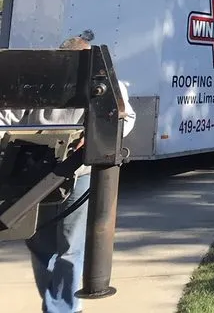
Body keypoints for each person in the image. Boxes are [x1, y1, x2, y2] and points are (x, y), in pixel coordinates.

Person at [0, 31, 134, 313]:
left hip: (78, 173)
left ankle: (62, 307)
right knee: (40, 245)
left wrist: (97, 137)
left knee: (70, 246)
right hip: (34, 174)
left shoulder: (105, 82)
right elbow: (7, 115)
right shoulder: (38, 79)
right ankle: (59, 302)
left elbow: (125, 117)